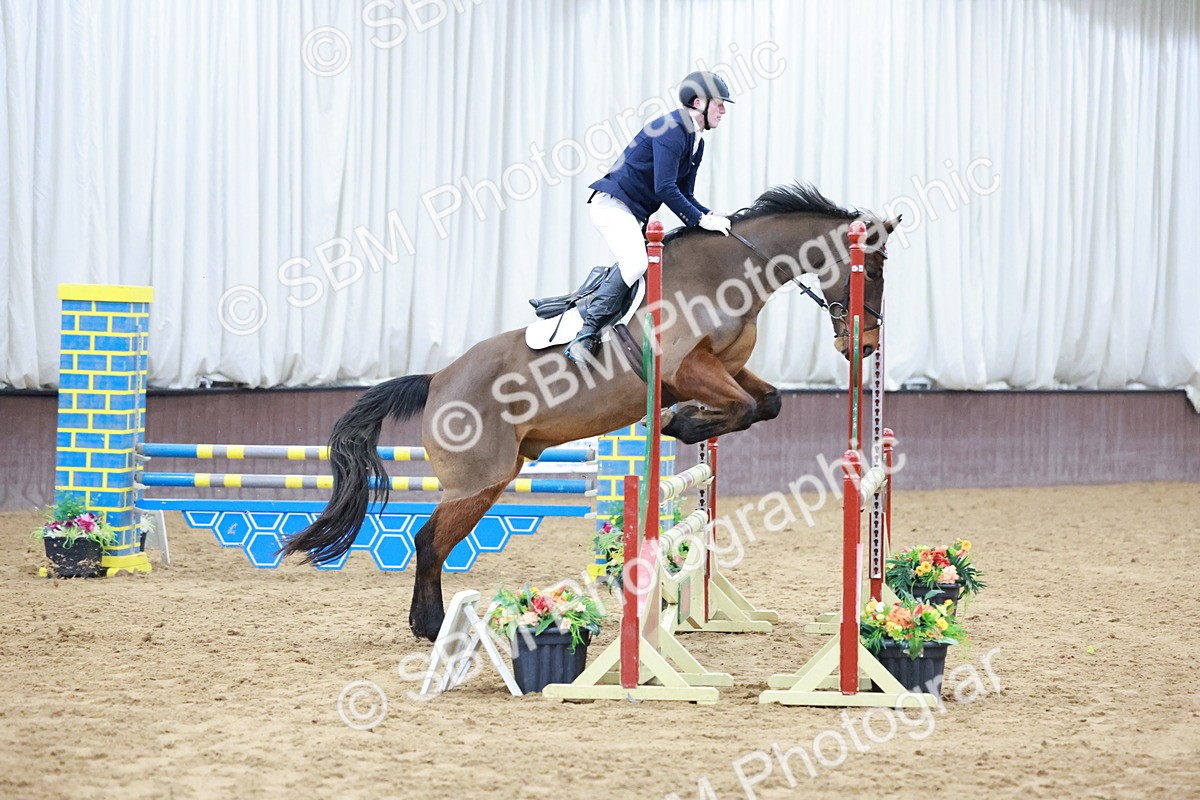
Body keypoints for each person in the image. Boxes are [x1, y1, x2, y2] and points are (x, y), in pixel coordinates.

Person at [565, 70, 735, 364]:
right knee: (635, 263)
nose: (723, 109)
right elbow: (664, 187)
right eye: (718, 102)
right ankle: (586, 334)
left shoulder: (697, 141)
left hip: (634, 213)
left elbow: (685, 193)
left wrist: (708, 216)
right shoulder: (671, 128)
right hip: (612, 205)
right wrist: (699, 220)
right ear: (698, 102)